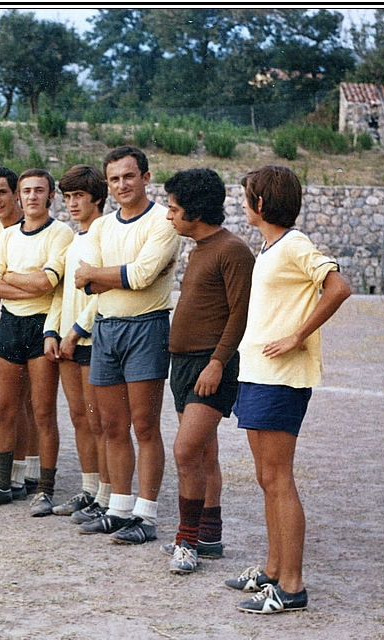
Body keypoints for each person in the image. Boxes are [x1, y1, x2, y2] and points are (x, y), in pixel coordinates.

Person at [227, 165, 350, 613]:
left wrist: (298, 336)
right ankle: (274, 570)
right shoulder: (269, 248)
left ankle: (292, 587)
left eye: (245, 198)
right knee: (266, 478)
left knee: (278, 479)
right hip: (257, 373)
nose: (242, 206)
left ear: (261, 203)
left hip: (282, 378)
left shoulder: (295, 244)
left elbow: (338, 288)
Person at [73, 146, 180, 541]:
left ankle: (146, 517)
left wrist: (108, 275)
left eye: (129, 176)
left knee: (145, 425)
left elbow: (142, 276)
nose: (122, 185)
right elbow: (85, 281)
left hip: (146, 327)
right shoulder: (101, 226)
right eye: (114, 179)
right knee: (112, 425)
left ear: (146, 178)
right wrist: (116, 275)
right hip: (106, 327)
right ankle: (118, 509)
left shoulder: (161, 222)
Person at [153, 169, 254, 573]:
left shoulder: (233, 250)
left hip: (212, 366)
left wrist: (217, 361)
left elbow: (241, 313)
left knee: (185, 451)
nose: (168, 217)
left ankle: (187, 541)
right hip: (183, 364)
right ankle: (209, 536)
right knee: (204, 454)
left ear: (195, 211)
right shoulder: (198, 247)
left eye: (174, 209)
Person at [0, 169, 74, 513]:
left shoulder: (61, 233)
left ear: (50, 196)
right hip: (9, 326)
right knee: (4, 409)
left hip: (41, 327)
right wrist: (21, 283)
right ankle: (2, 484)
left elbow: (47, 283)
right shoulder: (8, 235)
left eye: (39, 191)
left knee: (43, 412)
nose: (32, 196)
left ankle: (44, 489)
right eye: (26, 191)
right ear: (19, 195)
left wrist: (10, 278)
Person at [43, 166, 110, 518]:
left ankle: (106, 495)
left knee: (100, 420)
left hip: (92, 338)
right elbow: (60, 293)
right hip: (66, 341)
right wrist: (52, 331)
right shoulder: (73, 238)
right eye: (67, 197)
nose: (72, 203)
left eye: (79, 196)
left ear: (97, 198)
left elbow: (102, 294)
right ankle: (88, 489)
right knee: (79, 417)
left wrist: (76, 332)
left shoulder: (104, 233)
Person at [0, 167, 39, 495]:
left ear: (16, 193)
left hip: (36, 320)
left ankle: (30, 471)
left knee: (32, 403)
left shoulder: (33, 227)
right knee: (9, 403)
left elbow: (42, 284)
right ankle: (14, 473)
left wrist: (11, 281)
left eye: (2, 192)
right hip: (10, 317)